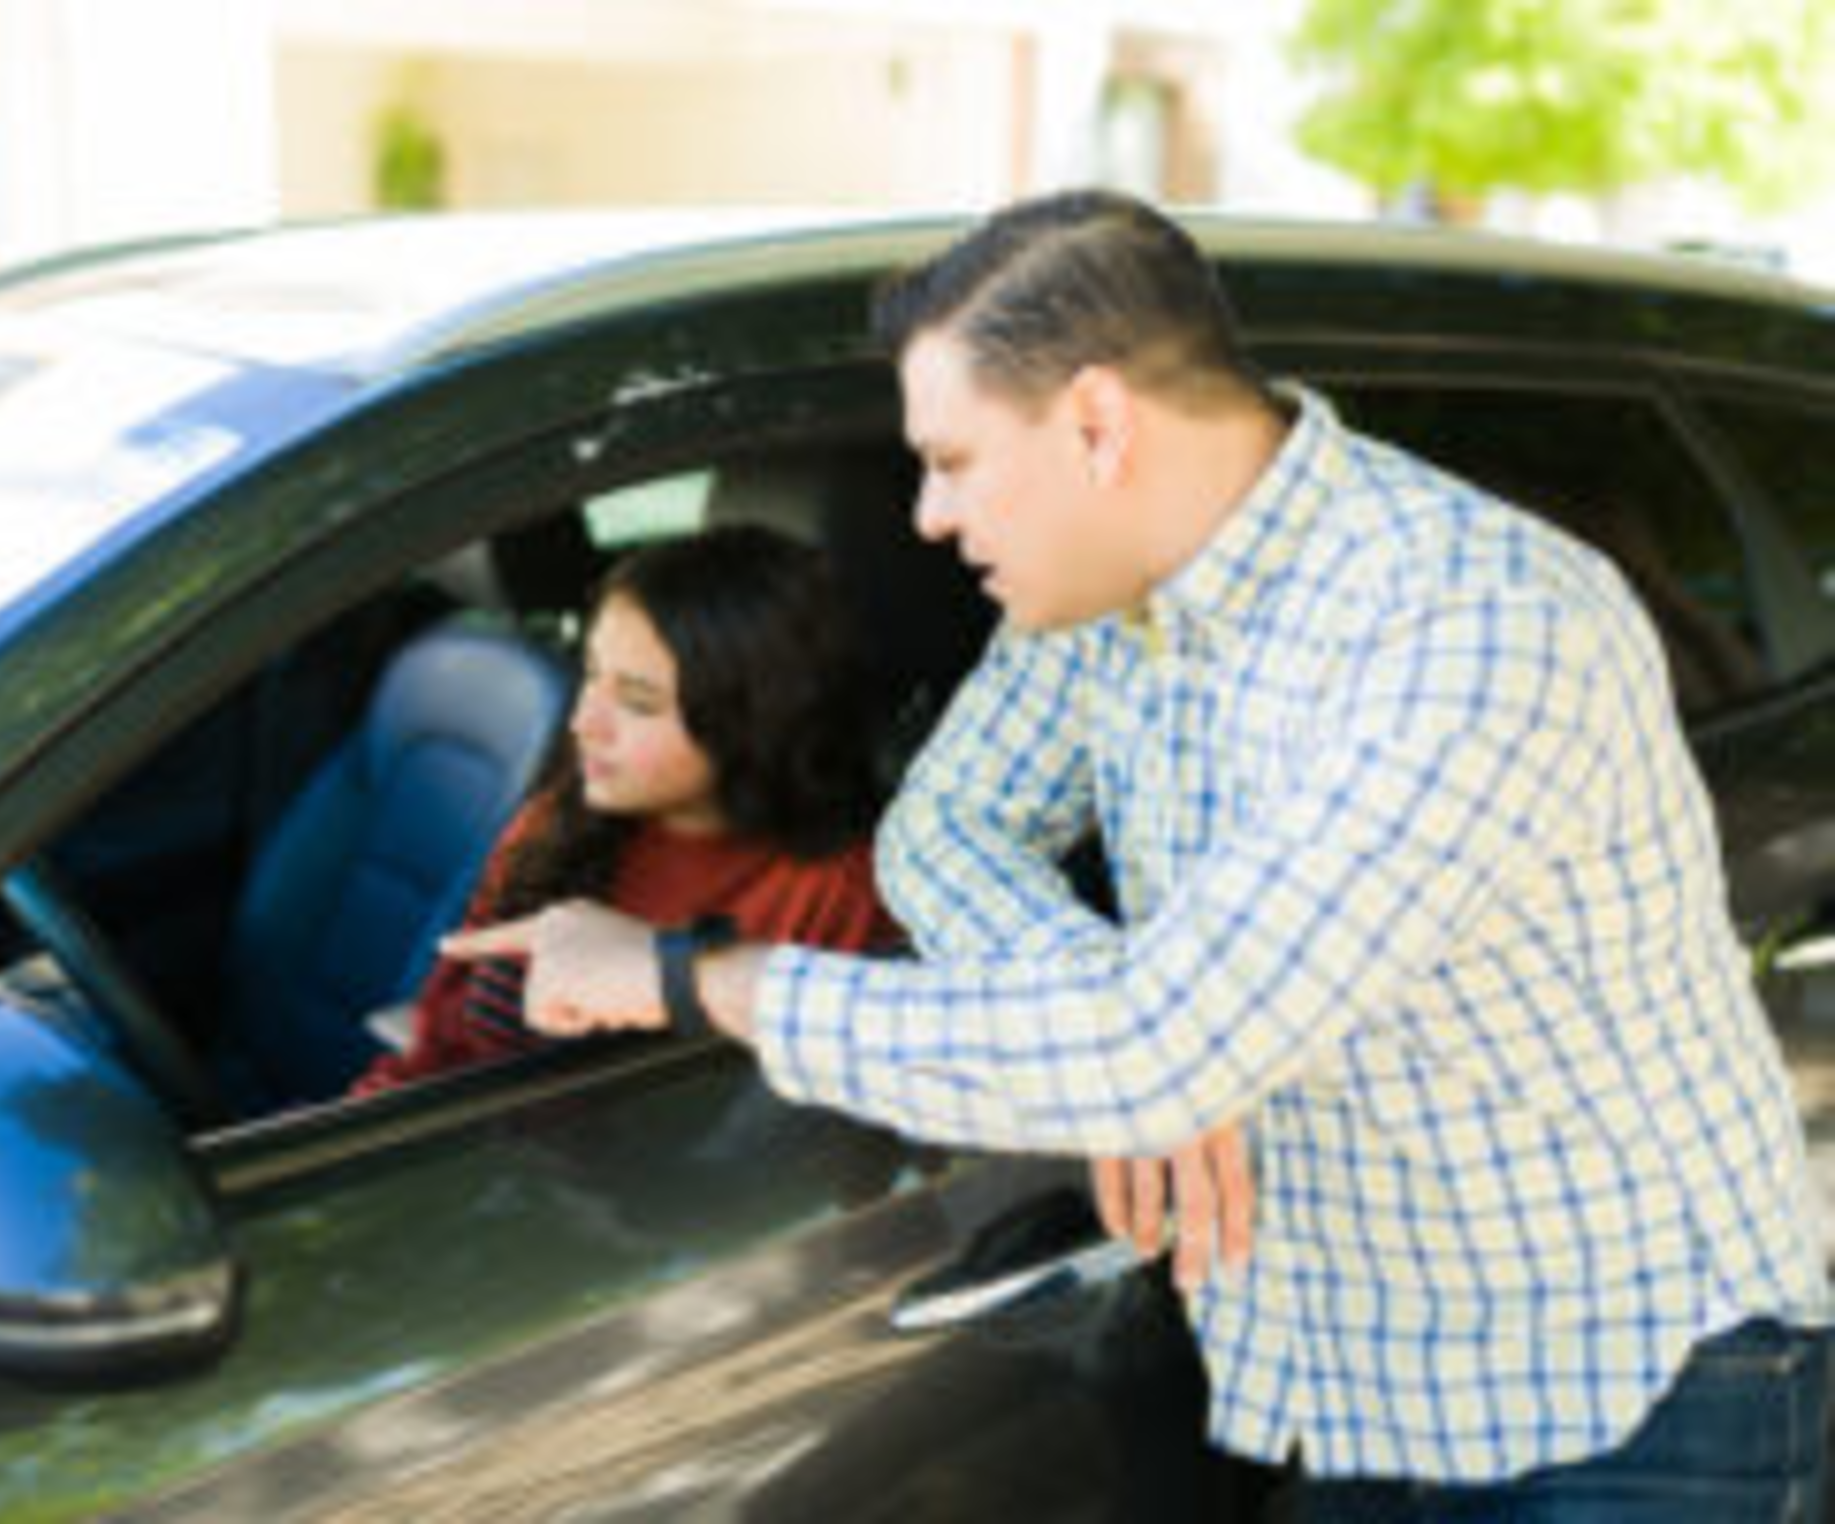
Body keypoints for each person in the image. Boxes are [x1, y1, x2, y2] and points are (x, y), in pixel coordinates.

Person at [449, 191, 1833, 1518]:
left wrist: (689, 976)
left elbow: (1159, 1042)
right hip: (1373, 1371)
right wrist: (1139, 1044)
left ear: (1097, 425)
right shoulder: (1112, 594)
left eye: (951, 461)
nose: (925, 516)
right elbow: (946, 829)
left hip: (1629, 1383)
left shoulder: (1469, 626)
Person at [353, 523, 895, 1096]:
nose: (583, 722)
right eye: (591, 675)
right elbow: (438, 1049)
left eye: (638, 702)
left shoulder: (836, 894)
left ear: (754, 721)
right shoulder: (557, 820)